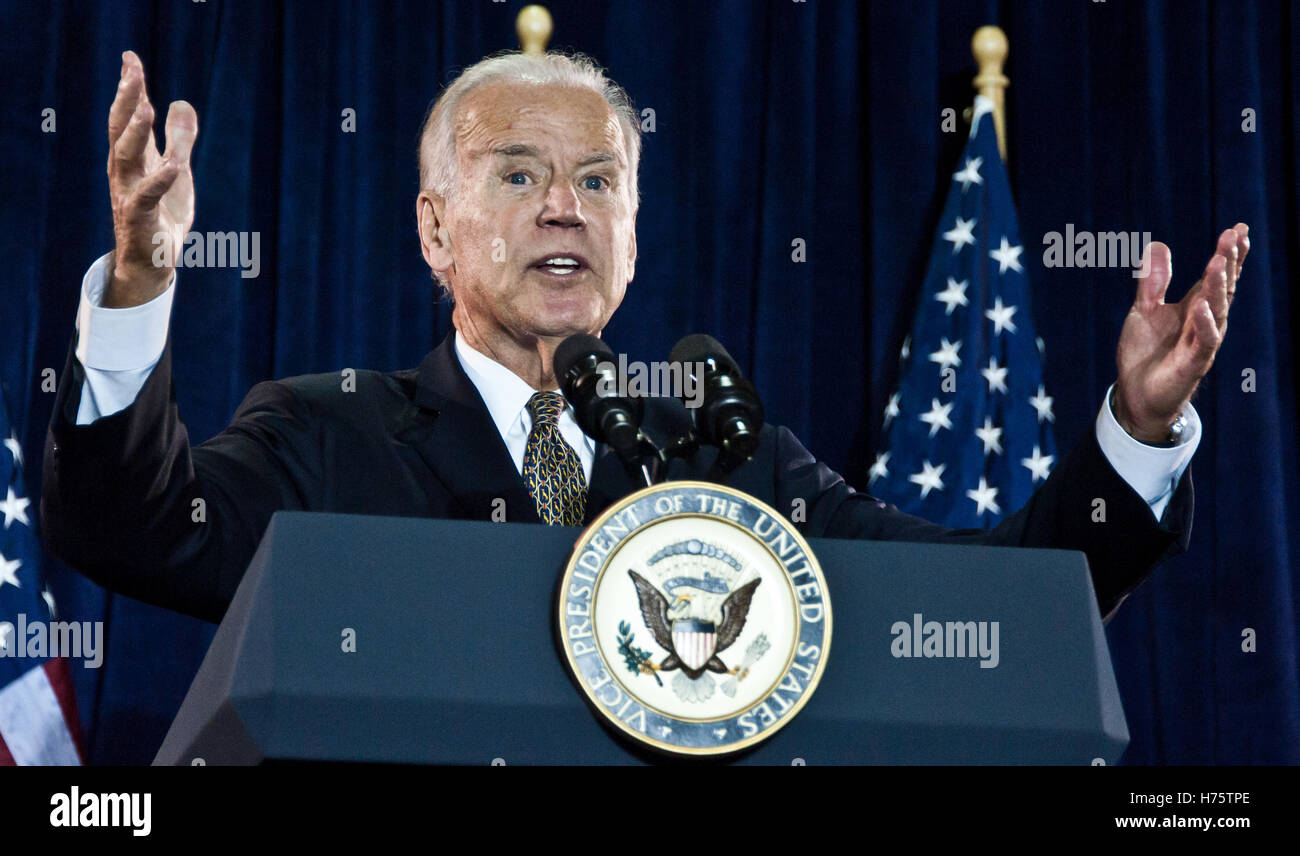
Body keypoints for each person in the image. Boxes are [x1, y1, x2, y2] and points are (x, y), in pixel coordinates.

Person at [42, 50, 1250, 624]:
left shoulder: (733, 461)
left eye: (597, 179)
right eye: (516, 175)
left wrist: (1138, 433)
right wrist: (142, 287)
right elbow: (134, 527)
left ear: (631, 229)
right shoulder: (325, 431)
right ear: (433, 232)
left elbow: (1007, 600)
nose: (563, 204)